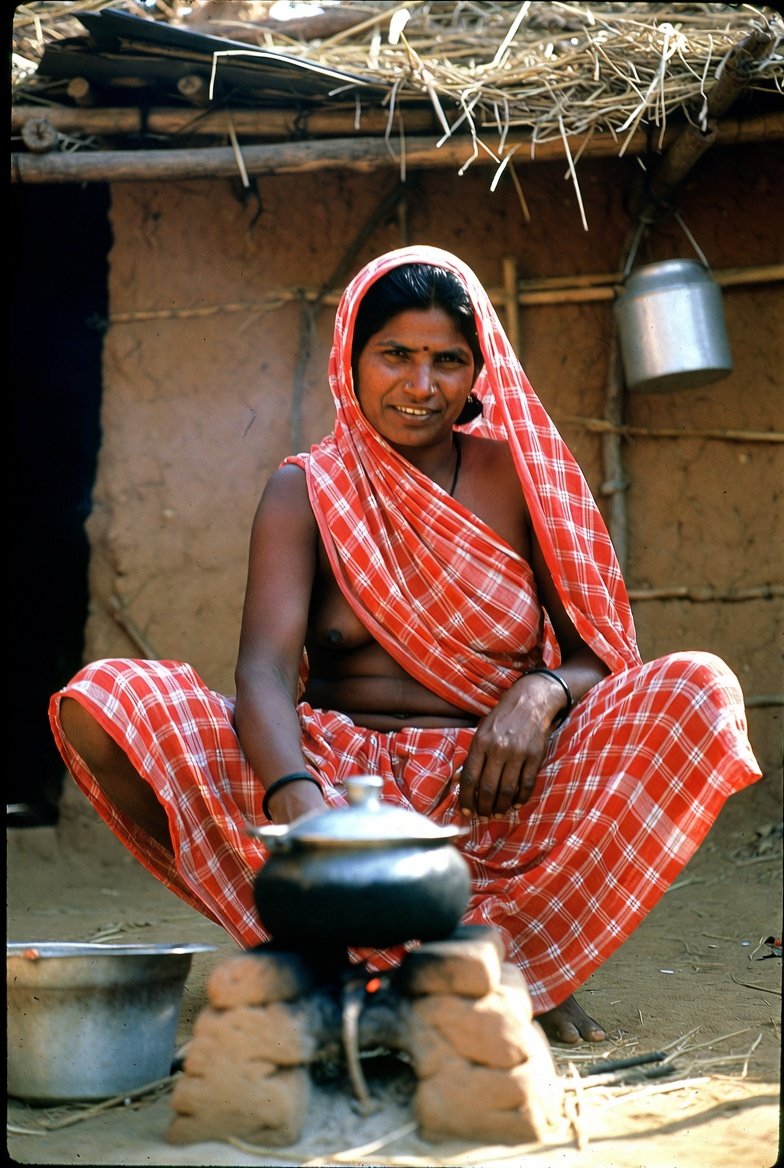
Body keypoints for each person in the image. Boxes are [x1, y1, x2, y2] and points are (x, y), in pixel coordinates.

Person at [50, 245, 762, 1045]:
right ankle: (327, 946)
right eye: (396, 355)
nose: (422, 387)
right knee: (106, 704)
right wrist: (301, 807)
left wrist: (539, 694)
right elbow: (262, 672)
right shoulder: (305, 489)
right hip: (338, 786)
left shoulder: (522, 479)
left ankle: (528, 966)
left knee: (698, 690)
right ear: (351, 356)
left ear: (477, 372)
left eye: (447, 361)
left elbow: (601, 652)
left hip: (496, 791)